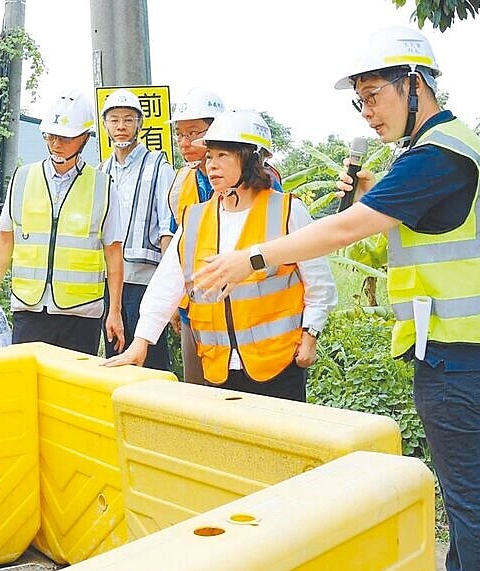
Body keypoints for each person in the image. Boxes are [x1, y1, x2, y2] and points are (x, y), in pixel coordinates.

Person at [190, 27, 480, 571]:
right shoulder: (446, 150)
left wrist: (254, 258)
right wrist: (376, 200)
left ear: (415, 85)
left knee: (469, 492)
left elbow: (345, 230)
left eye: (374, 97)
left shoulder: (437, 157)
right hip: (467, 342)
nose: (367, 113)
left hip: (460, 348)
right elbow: (418, 226)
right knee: (462, 486)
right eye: (360, 102)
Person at [106, 110, 336, 401]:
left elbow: (319, 282)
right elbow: (167, 285)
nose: (212, 166)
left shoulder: (287, 210)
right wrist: (141, 342)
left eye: (223, 156)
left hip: (278, 365)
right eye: (210, 156)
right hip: (218, 368)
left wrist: (311, 334)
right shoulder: (196, 219)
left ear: (251, 159)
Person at [0, 90, 125, 355]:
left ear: (85, 138)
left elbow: (113, 252)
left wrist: (114, 311)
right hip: (29, 308)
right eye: (51, 136)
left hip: (82, 314)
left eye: (65, 138)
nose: (56, 144)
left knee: (74, 391)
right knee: (27, 389)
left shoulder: (102, 186)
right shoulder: (22, 178)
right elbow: (4, 240)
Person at [99, 89, 176, 370]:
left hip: (146, 282)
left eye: (129, 120)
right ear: (105, 125)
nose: (121, 127)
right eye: (115, 120)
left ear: (140, 125)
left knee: (151, 360)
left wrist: (169, 285)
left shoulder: (159, 166)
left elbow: (168, 228)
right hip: (111, 282)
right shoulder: (102, 170)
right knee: (115, 355)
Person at [166, 88, 227, 383]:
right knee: (198, 395)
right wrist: (176, 301)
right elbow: (175, 246)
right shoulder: (182, 182)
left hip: (240, 311)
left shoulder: (260, 179)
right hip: (194, 308)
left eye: (193, 133)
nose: (184, 142)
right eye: (180, 135)